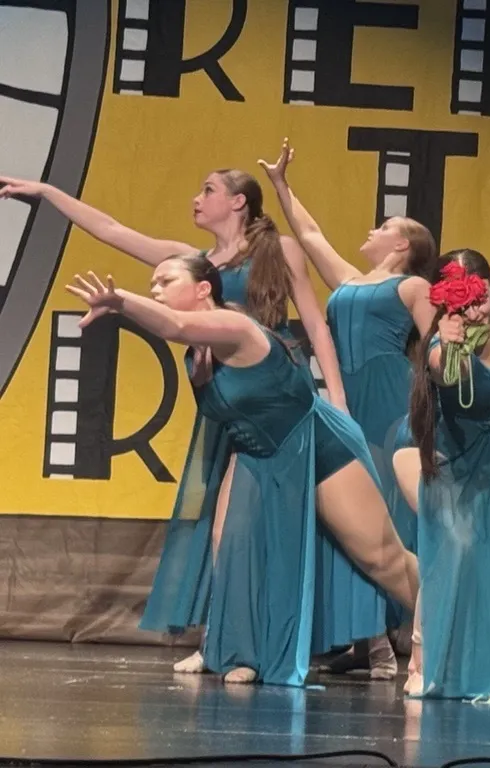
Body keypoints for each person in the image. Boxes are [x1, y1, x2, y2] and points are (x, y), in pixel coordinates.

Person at [0, 169, 344, 674]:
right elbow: (113, 231)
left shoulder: (280, 251)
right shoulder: (196, 263)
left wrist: (335, 396)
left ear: (239, 202)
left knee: (278, 524)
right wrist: (49, 193)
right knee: (219, 527)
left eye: (208, 190)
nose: (196, 199)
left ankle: (288, 643)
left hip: (273, 399)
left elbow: (313, 321)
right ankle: (223, 640)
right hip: (223, 395)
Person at [64, 256, 419, 686]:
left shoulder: (237, 328)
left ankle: (443, 629)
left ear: (203, 289)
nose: (155, 288)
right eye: (152, 283)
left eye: (166, 280)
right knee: (231, 546)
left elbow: (174, 324)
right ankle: (243, 652)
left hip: (315, 443)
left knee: (380, 557)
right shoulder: (196, 353)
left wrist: (119, 301)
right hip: (256, 452)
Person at [258, 139, 438, 678]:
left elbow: (436, 352)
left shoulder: (413, 285)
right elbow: (309, 236)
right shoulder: (351, 282)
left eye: (385, 225)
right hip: (342, 401)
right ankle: (364, 640)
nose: (373, 229)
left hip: (387, 404)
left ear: (403, 244)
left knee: (380, 518)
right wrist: (281, 185)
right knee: (341, 518)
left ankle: (391, 641)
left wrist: (431, 419)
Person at [393, 249, 490, 699]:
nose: (475, 310)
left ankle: (478, 661)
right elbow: (449, 378)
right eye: (462, 304)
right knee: (451, 549)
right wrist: (449, 345)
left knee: (487, 558)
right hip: (446, 454)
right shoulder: (440, 352)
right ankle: (422, 658)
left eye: (481, 297)